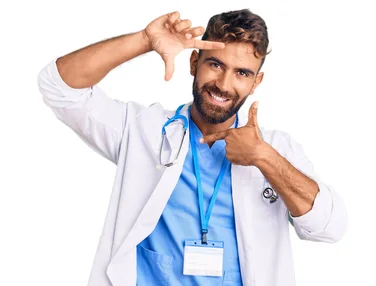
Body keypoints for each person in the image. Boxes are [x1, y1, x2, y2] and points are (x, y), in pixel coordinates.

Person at [37, 8, 347, 286]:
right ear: (194, 62)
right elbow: (59, 87)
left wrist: (263, 157)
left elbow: (329, 227)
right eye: (215, 64)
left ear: (256, 82)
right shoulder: (143, 130)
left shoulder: (277, 148)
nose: (224, 84)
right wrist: (144, 40)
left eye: (242, 73)